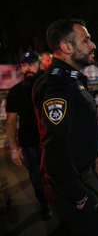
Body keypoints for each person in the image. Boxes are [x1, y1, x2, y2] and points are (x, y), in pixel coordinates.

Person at [32, 19, 98, 235]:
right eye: (86, 40)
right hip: (75, 186)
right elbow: (54, 151)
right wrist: (79, 195)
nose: (92, 45)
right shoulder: (57, 85)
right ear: (66, 47)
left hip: (84, 177)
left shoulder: (71, 80)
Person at [6, 50, 52, 220]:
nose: (27, 68)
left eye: (31, 64)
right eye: (24, 65)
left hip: (50, 143)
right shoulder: (16, 91)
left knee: (56, 176)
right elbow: (10, 122)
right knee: (37, 179)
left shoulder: (49, 88)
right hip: (30, 146)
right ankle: (45, 205)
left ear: (40, 65)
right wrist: (14, 149)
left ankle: (59, 204)